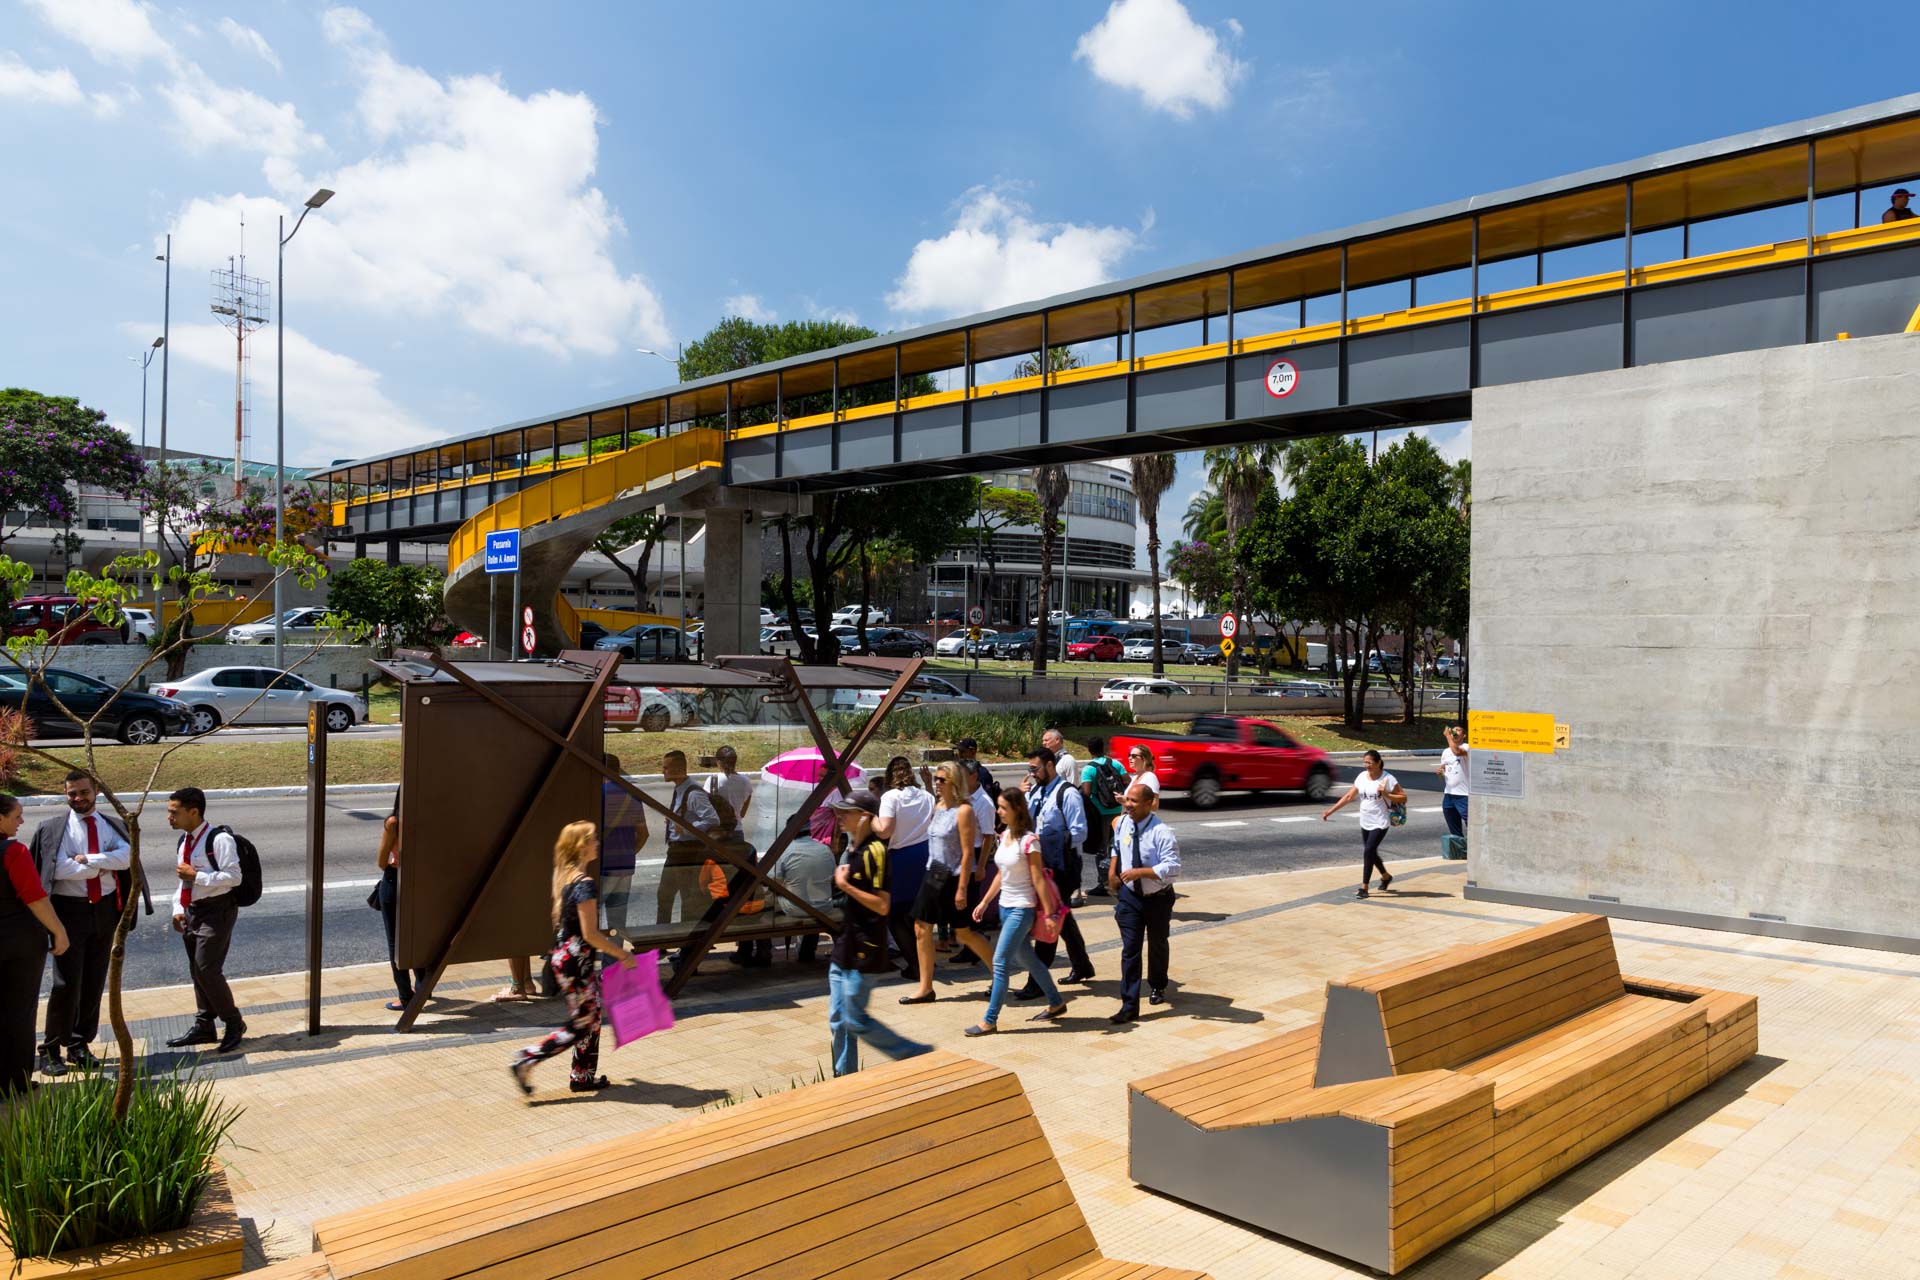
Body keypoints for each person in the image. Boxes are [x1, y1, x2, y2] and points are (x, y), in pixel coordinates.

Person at [511, 821, 638, 1096]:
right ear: (581, 847)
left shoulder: (565, 878)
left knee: (591, 1017)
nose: (597, 843)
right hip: (576, 963)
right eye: (593, 839)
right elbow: (590, 934)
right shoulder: (585, 884)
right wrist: (622, 954)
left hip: (566, 958)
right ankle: (527, 1058)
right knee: (582, 1023)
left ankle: (582, 1076)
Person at [824, 792, 931, 1076]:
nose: (840, 816)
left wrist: (845, 886)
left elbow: (883, 905)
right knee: (838, 1019)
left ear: (865, 817)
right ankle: (843, 1078)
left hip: (866, 948)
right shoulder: (852, 848)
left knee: (855, 1020)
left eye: (846, 812)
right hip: (846, 944)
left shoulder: (876, 852)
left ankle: (913, 1053)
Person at [37, 771, 129, 1074]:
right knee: (66, 982)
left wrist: (87, 860)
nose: (78, 798)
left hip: (105, 911)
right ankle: (51, 1049)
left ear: (96, 791)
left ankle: (79, 1044)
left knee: (94, 980)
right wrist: (102, 865)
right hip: (69, 912)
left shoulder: (112, 825)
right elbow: (58, 870)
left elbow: (126, 858)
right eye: (72, 793)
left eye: (83, 792)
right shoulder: (55, 829)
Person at [965, 789, 1068, 1035]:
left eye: (1003, 807)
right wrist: (984, 902)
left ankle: (990, 1020)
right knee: (1028, 959)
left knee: (1000, 962)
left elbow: (1038, 879)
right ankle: (1056, 1002)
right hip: (1004, 907)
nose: (998, 811)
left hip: (1022, 909)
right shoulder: (1005, 835)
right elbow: (1002, 874)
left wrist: (1050, 915)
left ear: (1017, 809)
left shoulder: (1030, 841)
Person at [900, 764, 993, 1004]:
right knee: (921, 927)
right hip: (934, 873)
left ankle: (999, 974)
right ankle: (925, 988)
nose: (937, 783)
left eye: (942, 779)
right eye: (936, 779)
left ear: (954, 782)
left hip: (953, 877)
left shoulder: (964, 811)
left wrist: (962, 888)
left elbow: (967, 853)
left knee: (964, 933)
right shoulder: (939, 806)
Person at [163, 787, 246, 1052]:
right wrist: (178, 908)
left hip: (217, 910)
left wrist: (196, 876)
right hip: (193, 911)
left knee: (207, 969)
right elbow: (183, 882)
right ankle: (204, 1025)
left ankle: (233, 1022)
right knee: (196, 970)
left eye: (174, 812)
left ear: (194, 812)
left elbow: (234, 877)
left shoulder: (220, 840)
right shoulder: (185, 841)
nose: (169, 817)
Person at [2, 794, 68, 1097]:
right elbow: (34, 897)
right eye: (16, 816)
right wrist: (58, 930)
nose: (21, 821)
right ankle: (15, 1080)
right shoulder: (13, 851)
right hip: (18, 944)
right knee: (19, 1010)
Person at [1021, 747, 1095, 992]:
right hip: (1041, 865)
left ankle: (1037, 984)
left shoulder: (1068, 794)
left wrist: (1048, 842)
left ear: (1050, 766)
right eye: (1030, 769)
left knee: (1048, 918)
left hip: (1061, 867)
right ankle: (1082, 965)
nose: (1032, 773)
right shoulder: (1036, 792)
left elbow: (1080, 832)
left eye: (1035, 769)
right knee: (1062, 917)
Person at [1107, 782, 1181, 1024]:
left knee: (1157, 943)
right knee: (1130, 949)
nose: (1128, 805)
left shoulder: (1161, 832)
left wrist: (1141, 872)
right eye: (1127, 800)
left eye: (1134, 801)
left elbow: (1173, 868)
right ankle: (1129, 1005)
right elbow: (1117, 845)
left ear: (1149, 804)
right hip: (1130, 897)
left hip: (1158, 898)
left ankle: (1158, 984)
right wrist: (1113, 870)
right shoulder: (1123, 823)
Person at [874, 756, 934, 982]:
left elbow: (885, 830)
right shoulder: (927, 796)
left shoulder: (890, 797)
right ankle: (925, 962)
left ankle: (915, 964)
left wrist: (871, 820)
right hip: (925, 855)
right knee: (917, 916)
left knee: (896, 916)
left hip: (901, 858)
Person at [1321, 750, 1408, 898]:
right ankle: (1386, 876)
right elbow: (1349, 796)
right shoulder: (1362, 776)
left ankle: (1364, 887)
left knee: (1368, 851)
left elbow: (1403, 797)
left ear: (1378, 762)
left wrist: (1386, 794)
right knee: (1371, 852)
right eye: (1365, 762)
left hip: (1380, 821)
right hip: (1365, 821)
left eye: (1370, 763)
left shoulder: (1388, 778)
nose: (1367, 765)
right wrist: (1331, 811)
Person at [375, 790, 427, 1012]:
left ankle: (405, 996)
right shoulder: (427, 819)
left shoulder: (394, 822)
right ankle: (424, 986)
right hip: (420, 882)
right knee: (418, 936)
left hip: (395, 880)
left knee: (395, 941)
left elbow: (381, 860)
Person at [657, 749, 719, 926]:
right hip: (675, 851)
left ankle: (685, 936)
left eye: (666, 768)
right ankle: (662, 934)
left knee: (687, 897)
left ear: (678, 769)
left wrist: (686, 828)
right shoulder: (680, 790)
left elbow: (713, 819)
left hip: (687, 852)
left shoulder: (694, 793)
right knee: (664, 894)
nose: (663, 771)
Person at [599, 754, 648, 935]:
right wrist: (629, 854)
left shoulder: (598, 793)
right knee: (617, 923)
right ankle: (614, 953)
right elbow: (644, 834)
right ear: (618, 770)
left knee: (589, 917)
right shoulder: (632, 795)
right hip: (625, 866)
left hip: (602, 866)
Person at [765, 837, 835, 962]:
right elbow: (833, 874)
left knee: (768, 897)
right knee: (812, 900)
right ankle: (807, 950)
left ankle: (763, 951)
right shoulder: (825, 849)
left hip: (795, 908)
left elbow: (771, 878)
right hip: (823, 906)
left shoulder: (786, 850)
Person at [1078, 738, 1128, 902]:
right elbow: (1127, 780)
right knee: (1115, 846)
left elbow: (1086, 792)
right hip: (1116, 810)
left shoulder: (1089, 769)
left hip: (1099, 813)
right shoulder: (1116, 764)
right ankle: (1119, 877)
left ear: (1089, 750)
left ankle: (1104, 884)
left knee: (1101, 849)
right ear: (1103, 747)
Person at [706, 745, 753, 832]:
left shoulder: (712, 780)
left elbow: (705, 807)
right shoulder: (746, 782)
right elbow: (742, 814)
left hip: (717, 831)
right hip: (737, 830)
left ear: (718, 762)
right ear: (735, 761)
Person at [1436, 726, 1470, 841]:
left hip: (1464, 795)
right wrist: (1440, 772)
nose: (1455, 732)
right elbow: (1444, 767)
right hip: (1449, 794)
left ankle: (1475, 846)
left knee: (1471, 824)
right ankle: (1460, 847)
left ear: (1464, 735)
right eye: (1453, 730)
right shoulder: (1446, 751)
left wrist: (1448, 736)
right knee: (1453, 826)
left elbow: (1457, 752)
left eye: (1458, 730)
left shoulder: (1467, 747)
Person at [1125, 744, 1162, 809]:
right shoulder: (1134, 778)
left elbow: (1154, 805)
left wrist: (1126, 802)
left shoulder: (1150, 777)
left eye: (1134, 756)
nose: (1129, 758)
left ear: (1144, 759)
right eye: (1129, 755)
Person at [1042, 727, 1077, 796]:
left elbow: (1073, 786)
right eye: (1043, 741)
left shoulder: (1068, 760)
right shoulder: (1047, 760)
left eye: (1046, 740)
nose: (1043, 743)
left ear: (1057, 740)